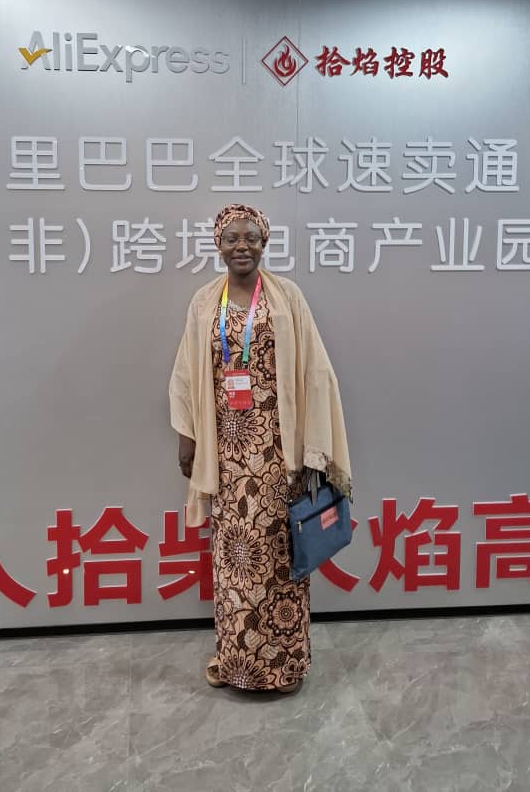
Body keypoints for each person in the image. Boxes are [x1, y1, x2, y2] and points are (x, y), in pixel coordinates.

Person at [169, 204, 352, 694]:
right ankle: (236, 662)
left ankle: (284, 666)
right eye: (232, 238)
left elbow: (316, 370)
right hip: (226, 453)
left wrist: (315, 450)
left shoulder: (287, 297)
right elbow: (186, 373)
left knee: (280, 554)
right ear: (218, 244)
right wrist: (187, 435)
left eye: (251, 237)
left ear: (264, 242)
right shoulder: (204, 301)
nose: (242, 246)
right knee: (234, 557)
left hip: (279, 451)